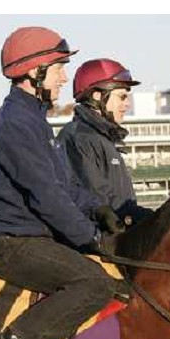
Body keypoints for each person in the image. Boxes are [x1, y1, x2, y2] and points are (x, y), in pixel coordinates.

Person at [0, 27, 123, 339]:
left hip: (28, 238)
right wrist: (90, 240)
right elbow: (47, 198)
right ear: (33, 72)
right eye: (58, 67)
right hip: (10, 243)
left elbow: (65, 189)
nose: (64, 77)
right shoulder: (15, 125)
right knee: (96, 283)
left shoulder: (34, 121)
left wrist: (97, 208)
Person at [58, 59, 153, 227]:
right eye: (122, 97)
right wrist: (143, 216)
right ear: (97, 96)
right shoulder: (78, 137)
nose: (127, 104)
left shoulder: (103, 138)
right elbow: (96, 195)